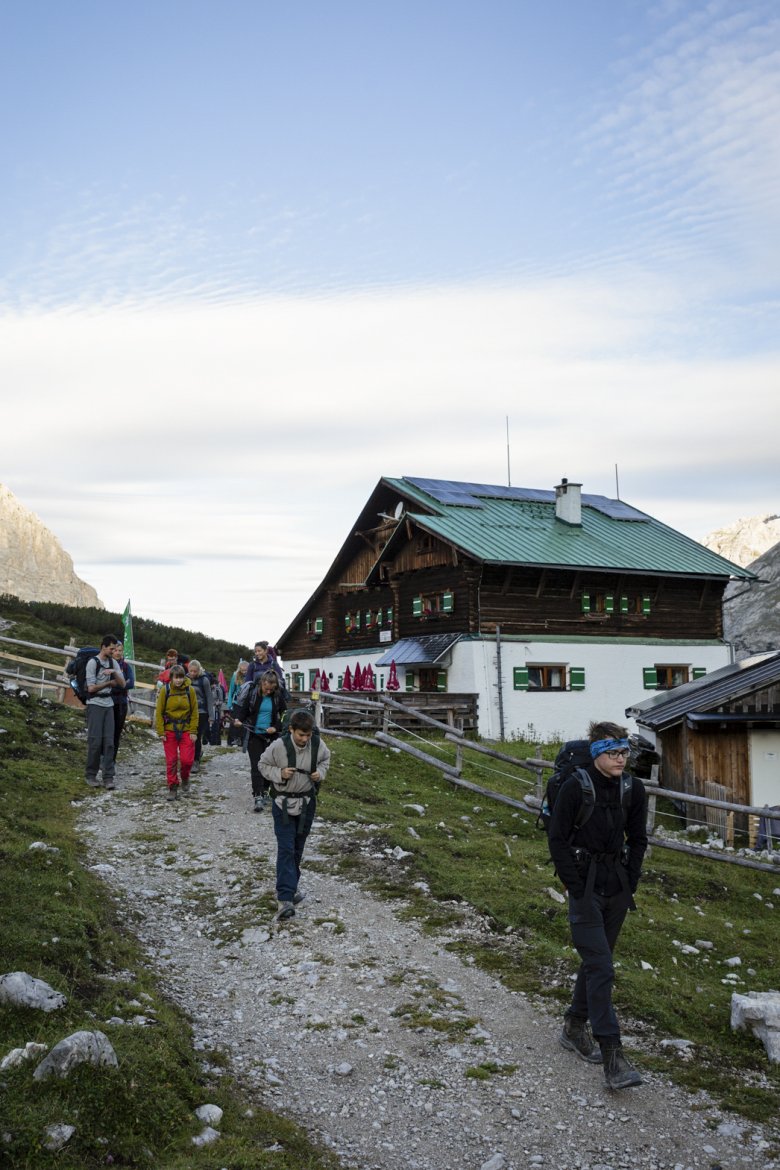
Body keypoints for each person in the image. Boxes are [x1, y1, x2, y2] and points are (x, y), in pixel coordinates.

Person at [547, 720, 648, 1091]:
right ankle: (613, 1055)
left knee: (596, 961)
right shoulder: (575, 787)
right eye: (613, 752)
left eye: (624, 751)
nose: (621, 758)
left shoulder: (633, 788)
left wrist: (631, 878)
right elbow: (556, 840)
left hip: (617, 886)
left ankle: (574, 1026)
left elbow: (638, 838)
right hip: (584, 887)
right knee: (602, 966)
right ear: (595, 753)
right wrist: (575, 887)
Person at [259, 708, 330, 919]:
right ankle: (284, 898)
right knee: (286, 848)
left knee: (298, 848)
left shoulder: (317, 744)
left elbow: (326, 759)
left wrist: (321, 773)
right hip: (283, 804)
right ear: (291, 730)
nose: (304, 739)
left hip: (307, 804)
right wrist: (279, 774)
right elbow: (262, 764)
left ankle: (291, 887)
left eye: (308, 735)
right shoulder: (278, 746)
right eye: (301, 735)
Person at [232, 669, 287, 811]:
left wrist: (275, 727)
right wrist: (238, 720)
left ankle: (266, 791)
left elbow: (284, 716)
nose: (268, 691)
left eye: (271, 689)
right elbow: (244, 711)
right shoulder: (253, 694)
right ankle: (258, 796)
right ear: (262, 683)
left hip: (271, 737)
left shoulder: (277, 696)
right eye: (266, 688)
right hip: (254, 734)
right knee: (256, 766)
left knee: (270, 766)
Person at [84, 635, 125, 790]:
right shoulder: (92, 663)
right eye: (111, 648)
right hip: (95, 704)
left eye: (115, 649)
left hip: (109, 704)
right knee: (95, 741)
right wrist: (108, 682)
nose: (114, 651)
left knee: (109, 742)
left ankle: (108, 777)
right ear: (103, 647)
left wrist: (113, 672)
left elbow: (122, 683)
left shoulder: (113, 662)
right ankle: (91, 775)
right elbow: (91, 688)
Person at [154, 665, 199, 800]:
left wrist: (193, 731)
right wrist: (161, 731)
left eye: (181, 677)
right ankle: (173, 787)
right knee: (172, 760)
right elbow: (159, 712)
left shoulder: (190, 691)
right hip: (169, 730)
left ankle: (185, 778)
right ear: (171, 678)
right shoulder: (164, 691)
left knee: (187, 761)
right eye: (176, 678)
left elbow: (195, 712)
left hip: (186, 730)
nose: (178, 680)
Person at [187, 659, 215, 771]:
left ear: (199, 670)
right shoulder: (185, 679)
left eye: (195, 671)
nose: (193, 673)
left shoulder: (204, 680)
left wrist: (211, 716)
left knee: (197, 737)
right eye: (191, 671)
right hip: (188, 712)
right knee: (187, 737)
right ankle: (192, 756)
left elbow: (209, 698)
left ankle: (195, 761)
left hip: (201, 712)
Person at [111, 641, 135, 763]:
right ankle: (103, 758)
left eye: (120, 650)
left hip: (121, 704)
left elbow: (131, 684)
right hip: (108, 702)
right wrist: (122, 684)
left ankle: (112, 760)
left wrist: (115, 685)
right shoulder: (106, 664)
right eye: (115, 650)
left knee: (116, 733)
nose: (118, 652)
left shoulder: (126, 667)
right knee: (106, 732)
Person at [226, 660, 249, 746]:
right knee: (234, 721)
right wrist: (229, 704)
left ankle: (243, 740)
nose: (244, 672)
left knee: (244, 722)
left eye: (245, 670)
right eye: (242, 670)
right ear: (239, 669)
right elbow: (231, 690)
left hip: (246, 702)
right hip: (236, 702)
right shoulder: (235, 676)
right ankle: (232, 740)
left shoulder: (250, 676)